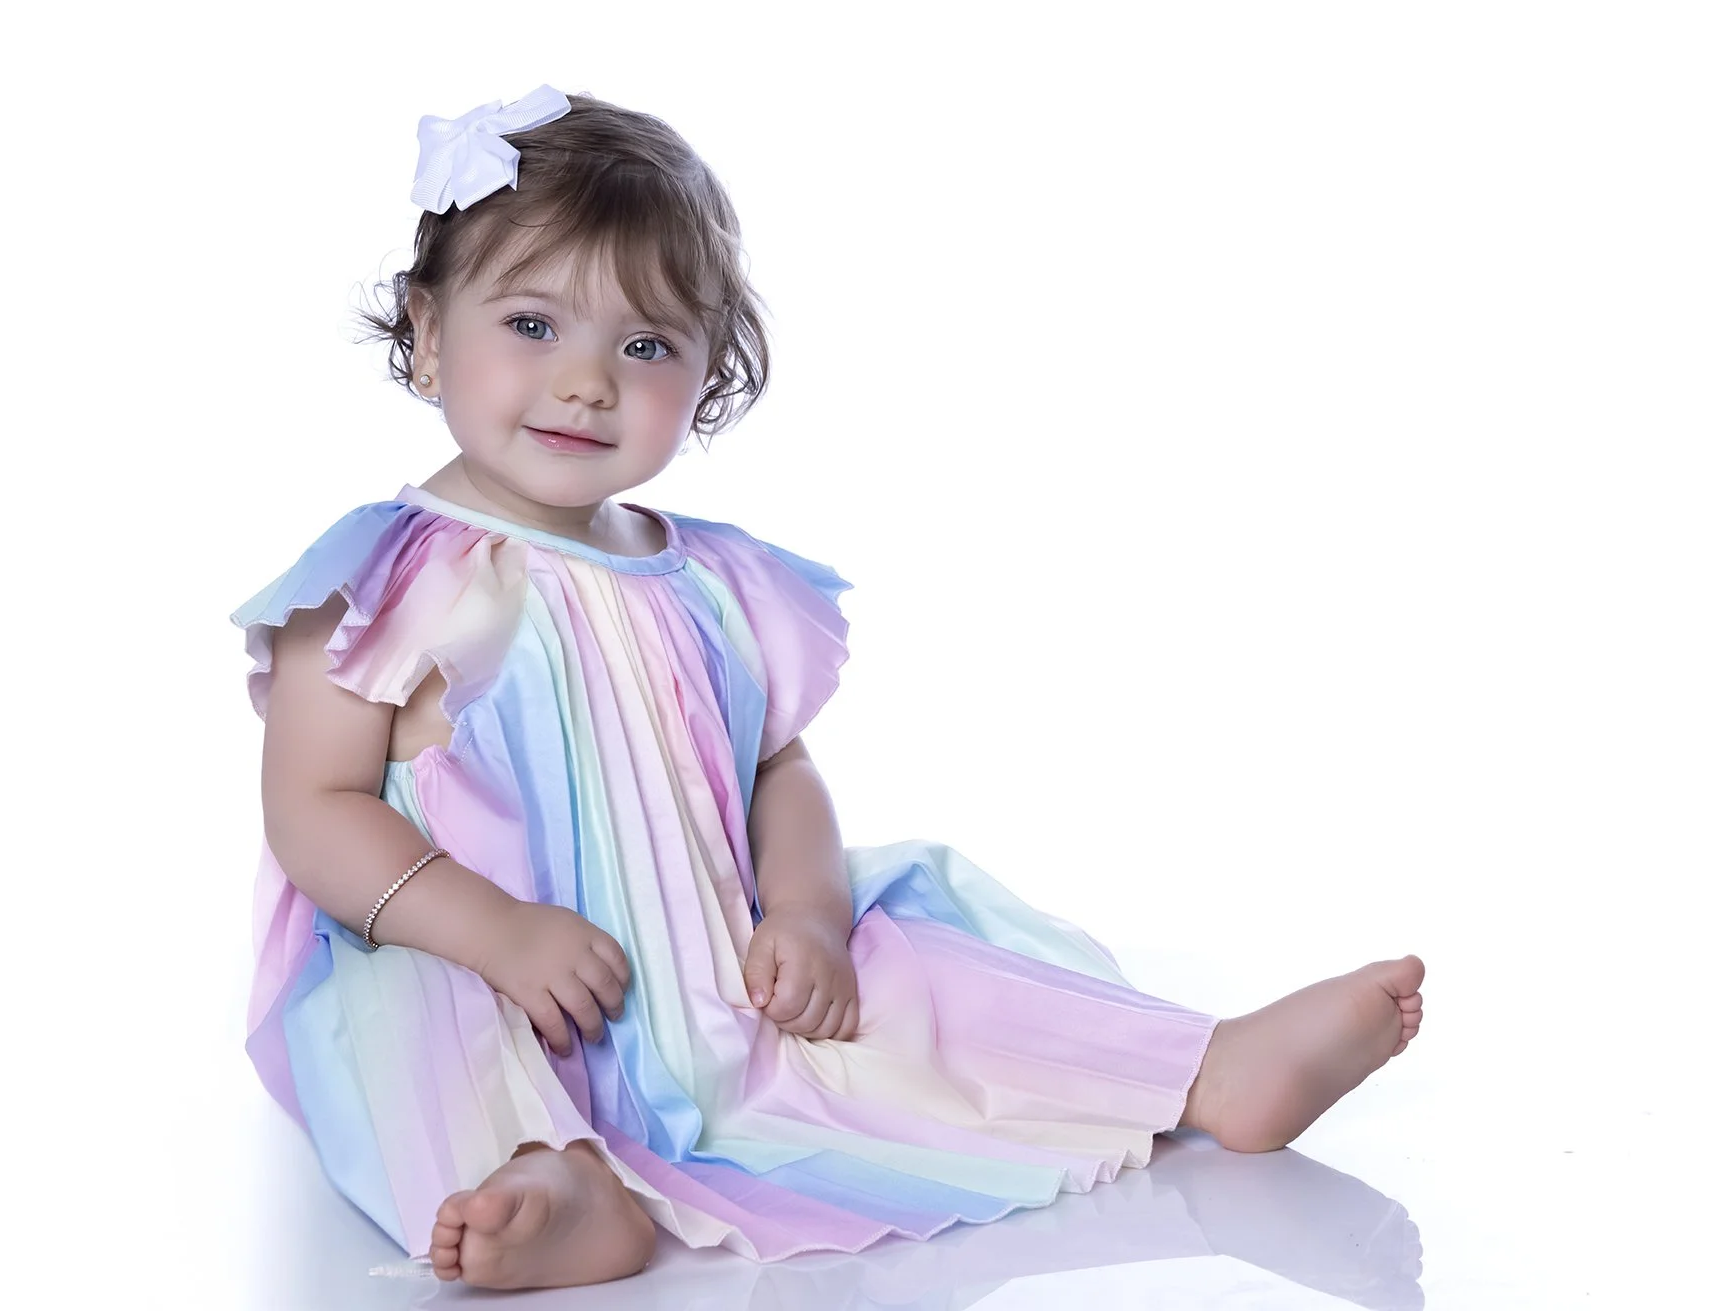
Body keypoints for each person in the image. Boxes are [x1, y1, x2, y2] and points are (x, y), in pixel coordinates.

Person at [229, 86, 1425, 1292]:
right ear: (428, 333)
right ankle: (561, 1182)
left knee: (920, 953)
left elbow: (771, 767)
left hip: (717, 958)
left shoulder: (708, 577)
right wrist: (495, 931)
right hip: (488, 959)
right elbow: (317, 807)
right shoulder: (382, 579)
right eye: (532, 324)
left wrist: (801, 912)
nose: (586, 381)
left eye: (643, 347)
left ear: (706, 376)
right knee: (417, 1042)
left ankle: (1202, 1069)